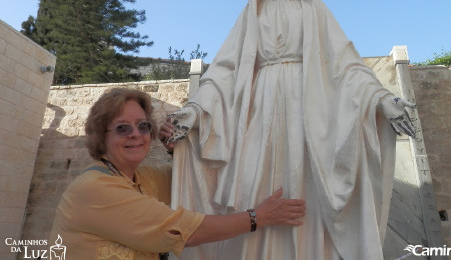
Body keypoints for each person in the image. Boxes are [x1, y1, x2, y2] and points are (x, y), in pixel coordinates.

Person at [165, 0, 415, 260]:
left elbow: (345, 65)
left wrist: (381, 99)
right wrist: (196, 110)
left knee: (308, 191)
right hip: (260, 113)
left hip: (309, 112)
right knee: (255, 189)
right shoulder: (251, 13)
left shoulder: (315, 9)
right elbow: (225, 70)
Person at [49, 88, 306, 260]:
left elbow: (192, 183)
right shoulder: (94, 188)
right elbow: (186, 232)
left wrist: (180, 153)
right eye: (122, 128)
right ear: (100, 137)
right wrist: (258, 217)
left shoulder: (143, 177)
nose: (136, 134)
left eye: (143, 126)